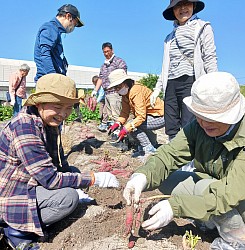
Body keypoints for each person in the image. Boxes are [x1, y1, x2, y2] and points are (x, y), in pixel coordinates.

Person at [123, 72, 245, 248]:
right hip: (215, 187)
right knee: (168, 180)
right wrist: (142, 176)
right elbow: (169, 154)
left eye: (212, 118)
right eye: (199, 115)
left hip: (242, 198)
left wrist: (176, 206)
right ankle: (211, 219)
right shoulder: (198, 126)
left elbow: (230, 193)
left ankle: (241, 238)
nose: (204, 122)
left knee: (210, 193)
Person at [0, 73, 119, 249]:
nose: (63, 114)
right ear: (39, 103)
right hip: (10, 194)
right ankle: (16, 233)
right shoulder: (25, 127)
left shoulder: (47, 122)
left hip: (29, 180)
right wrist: (94, 179)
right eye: (58, 107)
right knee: (68, 198)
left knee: (74, 172)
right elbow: (50, 179)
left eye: (69, 108)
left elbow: (59, 164)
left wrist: (77, 180)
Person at [150, 0, 217, 141]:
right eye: (178, 6)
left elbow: (209, 56)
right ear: (173, 11)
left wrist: (213, 82)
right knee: (171, 122)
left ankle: (191, 158)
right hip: (171, 83)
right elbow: (165, 66)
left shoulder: (203, 27)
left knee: (190, 121)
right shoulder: (169, 38)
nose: (182, 9)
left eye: (186, 4)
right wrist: (157, 88)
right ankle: (175, 155)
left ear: (193, 6)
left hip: (191, 79)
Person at [108, 69, 165, 161]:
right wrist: (118, 123)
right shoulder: (126, 94)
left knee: (132, 126)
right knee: (132, 125)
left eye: (118, 86)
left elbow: (141, 116)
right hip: (151, 116)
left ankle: (149, 149)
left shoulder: (135, 91)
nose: (117, 90)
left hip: (160, 116)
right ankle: (146, 147)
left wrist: (126, 128)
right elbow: (125, 112)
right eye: (115, 88)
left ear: (125, 83)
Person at [34, 4, 84, 82]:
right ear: (68, 16)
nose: (74, 27)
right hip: (49, 82)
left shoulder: (56, 31)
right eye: (75, 23)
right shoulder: (50, 28)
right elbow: (44, 54)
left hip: (52, 80)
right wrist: (54, 78)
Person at [91, 42, 127, 126]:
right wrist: (95, 90)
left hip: (115, 92)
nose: (106, 53)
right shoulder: (103, 66)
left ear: (112, 50)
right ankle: (117, 131)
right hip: (107, 93)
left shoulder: (118, 61)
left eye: (108, 51)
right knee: (110, 115)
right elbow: (101, 78)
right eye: (104, 52)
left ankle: (121, 134)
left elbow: (123, 74)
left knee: (116, 115)